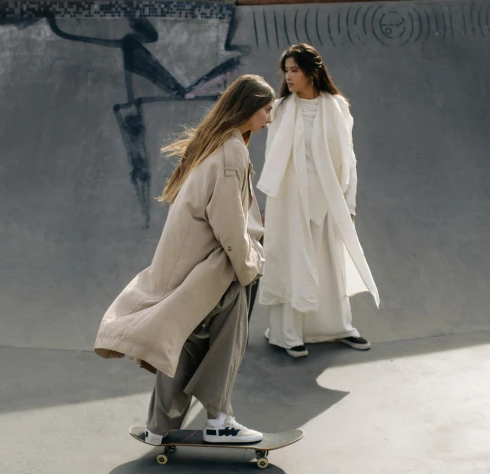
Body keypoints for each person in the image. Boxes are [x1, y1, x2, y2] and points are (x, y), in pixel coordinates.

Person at [94, 75, 275, 443]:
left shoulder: (213, 144)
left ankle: (160, 428)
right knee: (228, 340)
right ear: (248, 108)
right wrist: (249, 269)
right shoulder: (231, 150)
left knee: (186, 340)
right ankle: (219, 422)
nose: (269, 119)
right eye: (267, 109)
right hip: (215, 269)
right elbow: (227, 222)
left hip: (190, 270)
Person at [257, 43, 380, 359]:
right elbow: (272, 157)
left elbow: (348, 159)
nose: (289, 76)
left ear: (312, 71)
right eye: (286, 70)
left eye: (294, 69)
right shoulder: (282, 109)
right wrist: (270, 206)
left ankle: (337, 328)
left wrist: (348, 204)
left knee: (329, 262)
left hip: (328, 198)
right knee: (293, 261)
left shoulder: (336, 107)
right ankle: (288, 334)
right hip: (290, 201)